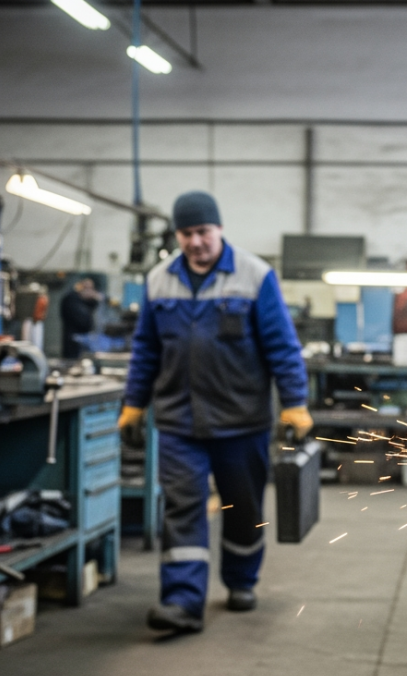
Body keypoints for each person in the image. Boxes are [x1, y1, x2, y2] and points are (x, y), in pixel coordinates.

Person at [120, 190, 313, 634]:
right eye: (186, 234)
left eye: (202, 232)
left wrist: (296, 405)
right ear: (177, 235)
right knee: (182, 507)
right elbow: (145, 349)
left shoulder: (254, 276)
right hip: (177, 421)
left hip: (241, 420)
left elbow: (282, 348)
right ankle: (183, 602)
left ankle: (242, 580)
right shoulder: (158, 280)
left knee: (241, 507)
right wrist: (134, 404)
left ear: (219, 229)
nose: (195, 242)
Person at [59, 277, 103, 359]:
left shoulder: (83, 302)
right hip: (73, 343)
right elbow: (83, 321)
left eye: (91, 288)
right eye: (86, 288)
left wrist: (94, 300)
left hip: (82, 342)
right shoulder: (71, 299)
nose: (89, 291)